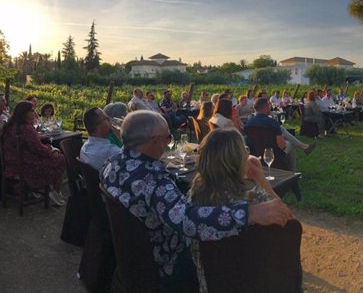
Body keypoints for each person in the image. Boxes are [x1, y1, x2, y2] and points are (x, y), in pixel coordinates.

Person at [101, 110, 293, 290]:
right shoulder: (153, 180)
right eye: (168, 137)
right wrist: (250, 212)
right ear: (154, 141)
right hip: (166, 263)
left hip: (133, 257)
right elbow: (188, 222)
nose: (170, 140)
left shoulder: (111, 164)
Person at [187, 128, 280, 292]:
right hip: (251, 283)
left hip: (209, 284)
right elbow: (288, 221)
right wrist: (261, 179)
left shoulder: (194, 195)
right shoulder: (252, 199)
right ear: (238, 159)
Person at [1, 101, 66, 206]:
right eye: (32, 110)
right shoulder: (27, 128)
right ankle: (55, 191)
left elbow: (30, 145)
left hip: (12, 163)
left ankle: (46, 188)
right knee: (61, 158)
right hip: (26, 166)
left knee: (54, 156)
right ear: (24, 113)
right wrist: (52, 149)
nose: (34, 113)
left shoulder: (11, 126)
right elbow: (38, 149)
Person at [246, 98, 316, 157]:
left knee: (282, 130)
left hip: (255, 152)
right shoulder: (273, 123)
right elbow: (282, 146)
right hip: (273, 153)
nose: (270, 107)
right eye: (269, 105)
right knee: (289, 143)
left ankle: (304, 147)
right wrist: (282, 138)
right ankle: (290, 169)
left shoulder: (248, 123)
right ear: (265, 107)